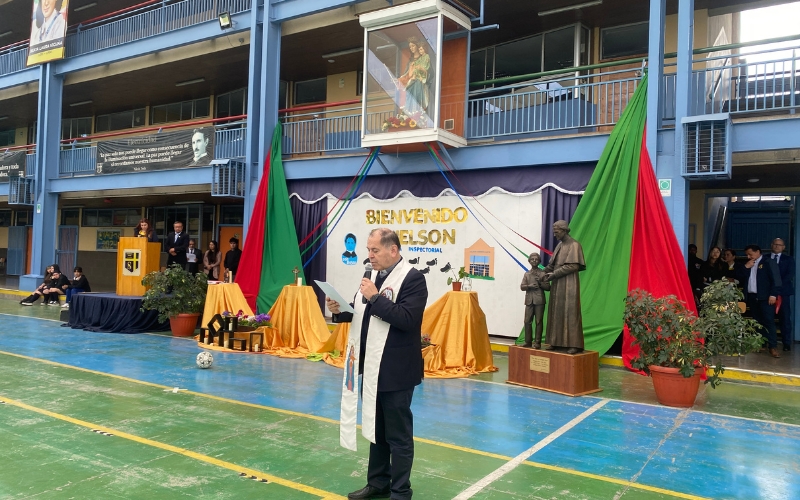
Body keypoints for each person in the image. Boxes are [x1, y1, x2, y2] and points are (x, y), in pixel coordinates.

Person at [326, 228, 427, 500]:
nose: (369, 256)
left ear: (393, 250)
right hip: (371, 367)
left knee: (398, 436)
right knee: (375, 429)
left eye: (375, 250)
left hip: (396, 371)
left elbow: (406, 319)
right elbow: (362, 315)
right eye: (368, 250)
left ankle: (400, 491)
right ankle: (378, 483)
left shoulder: (414, 279)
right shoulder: (371, 276)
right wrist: (340, 311)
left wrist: (374, 297)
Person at [542, 220, 586, 354]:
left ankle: (574, 344)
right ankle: (555, 341)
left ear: (564, 230)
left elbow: (573, 266)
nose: (554, 235)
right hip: (557, 283)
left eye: (556, 232)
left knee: (570, 312)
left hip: (569, 283)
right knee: (556, 311)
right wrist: (541, 273)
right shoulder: (559, 246)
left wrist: (553, 274)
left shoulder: (574, 245)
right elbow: (552, 265)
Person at [737, 244, 782, 358]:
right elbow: (738, 277)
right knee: (757, 322)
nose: (748, 256)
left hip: (766, 297)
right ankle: (761, 344)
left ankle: (773, 346)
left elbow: (776, 279)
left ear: (758, 252)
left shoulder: (768, 262)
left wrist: (773, 295)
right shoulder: (747, 264)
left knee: (768, 321)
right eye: (747, 254)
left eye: (750, 254)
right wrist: (746, 267)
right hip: (752, 296)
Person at [520, 252, 550, 349]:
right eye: (532, 259)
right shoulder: (527, 274)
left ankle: (537, 343)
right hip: (529, 300)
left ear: (539, 261)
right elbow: (522, 287)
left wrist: (540, 283)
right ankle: (528, 341)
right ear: (529, 261)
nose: (534, 261)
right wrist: (529, 286)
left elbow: (548, 287)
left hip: (539, 300)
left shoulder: (542, 273)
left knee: (538, 321)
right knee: (527, 321)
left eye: (536, 259)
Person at [770, 238, 795, 351]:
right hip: (768, 293)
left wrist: (777, 287)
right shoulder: (765, 258)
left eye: (779, 245)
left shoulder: (789, 259)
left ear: (783, 247)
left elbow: (789, 275)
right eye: (775, 244)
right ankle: (768, 343)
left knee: (785, 318)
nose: (777, 246)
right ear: (772, 245)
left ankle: (786, 343)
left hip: (783, 293)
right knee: (767, 318)